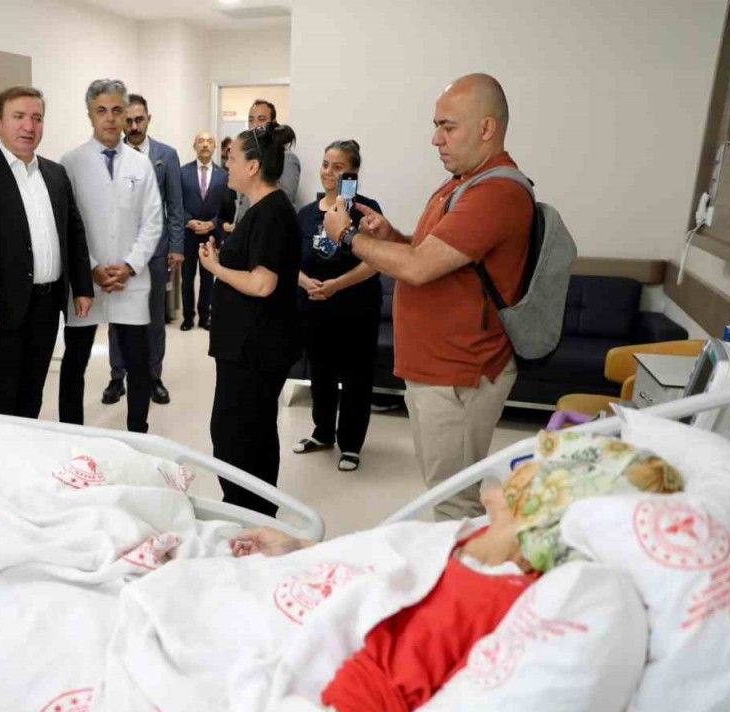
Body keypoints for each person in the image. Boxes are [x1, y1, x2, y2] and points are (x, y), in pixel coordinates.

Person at [233, 433, 683, 712]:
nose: (532, 459)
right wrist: (303, 552)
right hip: (287, 586)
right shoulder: (473, 538)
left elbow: (376, 690)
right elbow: (384, 568)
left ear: (543, 504)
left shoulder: (502, 598)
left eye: (542, 467)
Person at [324, 73, 533, 520]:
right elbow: (430, 255)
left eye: (448, 127)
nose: (436, 139)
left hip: (458, 372)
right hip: (437, 369)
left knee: (454, 502)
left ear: (487, 128)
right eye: (436, 126)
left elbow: (418, 268)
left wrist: (347, 237)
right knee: (445, 492)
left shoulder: (496, 192)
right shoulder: (460, 184)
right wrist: (390, 236)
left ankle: (466, 563)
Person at [0, 87, 94, 419]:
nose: (28, 126)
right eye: (18, 117)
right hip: (1, 308)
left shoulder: (55, 174)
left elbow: (73, 233)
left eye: (36, 118)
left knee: (33, 391)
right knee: (1, 395)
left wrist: (82, 287)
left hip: (48, 303)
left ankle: (27, 446)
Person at [199, 122, 301, 517]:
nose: (227, 164)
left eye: (233, 158)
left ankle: (250, 514)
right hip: (245, 345)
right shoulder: (261, 210)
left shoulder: (272, 212)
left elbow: (262, 283)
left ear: (254, 166)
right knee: (240, 432)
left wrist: (215, 268)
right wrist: (222, 259)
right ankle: (247, 512)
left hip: (255, 348)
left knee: (240, 435)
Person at [59, 79, 162, 433]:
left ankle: (138, 432)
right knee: (75, 362)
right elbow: (67, 223)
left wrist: (130, 266)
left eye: (117, 110)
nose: (110, 118)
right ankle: (72, 432)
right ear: (90, 115)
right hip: (86, 280)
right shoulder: (71, 163)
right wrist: (91, 268)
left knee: (138, 363)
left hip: (130, 279)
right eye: (101, 110)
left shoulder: (141, 165)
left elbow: (153, 221)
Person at [292, 140, 383, 472]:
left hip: (356, 309)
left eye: (339, 167)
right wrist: (306, 282)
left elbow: (374, 261)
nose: (329, 172)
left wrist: (336, 286)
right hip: (315, 308)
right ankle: (323, 433)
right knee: (321, 373)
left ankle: (351, 444)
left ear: (353, 173)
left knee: (356, 376)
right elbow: (289, 260)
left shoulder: (366, 211)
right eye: (326, 164)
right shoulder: (305, 214)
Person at [103, 94, 185, 406]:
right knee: (117, 318)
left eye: (139, 119)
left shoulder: (166, 155)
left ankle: (153, 377)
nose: (134, 126)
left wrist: (176, 247)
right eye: (129, 121)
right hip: (119, 253)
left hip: (155, 252)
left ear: (149, 118)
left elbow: (175, 206)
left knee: (153, 319)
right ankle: (117, 376)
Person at [179, 131, 226, 331]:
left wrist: (213, 224)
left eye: (209, 141)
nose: (205, 145)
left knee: (208, 278)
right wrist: (188, 221)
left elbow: (227, 208)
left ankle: (205, 316)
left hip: (211, 236)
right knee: (187, 278)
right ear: (194, 146)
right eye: (201, 141)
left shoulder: (224, 175)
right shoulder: (182, 173)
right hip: (188, 235)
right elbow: (176, 203)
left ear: (214, 147)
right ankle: (188, 316)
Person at [233, 99, 301, 224]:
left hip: (267, 228)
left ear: (273, 123)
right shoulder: (250, 157)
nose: (255, 125)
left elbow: (284, 200)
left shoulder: (286, 157)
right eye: (251, 120)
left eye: (261, 119)